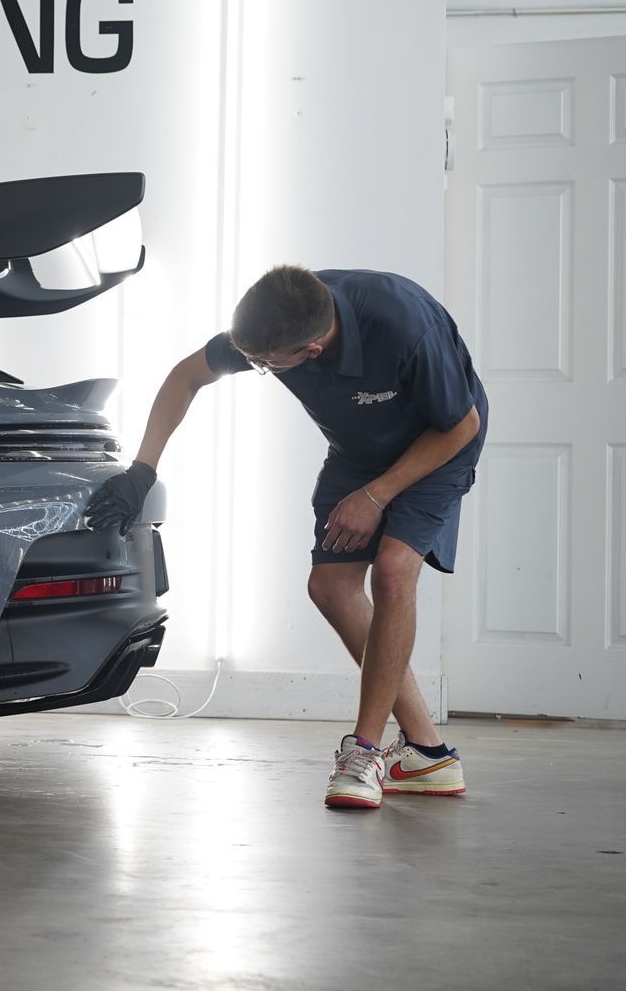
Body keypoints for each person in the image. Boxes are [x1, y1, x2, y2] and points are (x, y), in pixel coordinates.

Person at [86, 265, 486, 810]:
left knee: (394, 568)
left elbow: (462, 425)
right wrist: (143, 470)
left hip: (437, 445)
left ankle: (364, 752)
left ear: (312, 349)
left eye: (266, 364)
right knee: (330, 587)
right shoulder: (275, 320)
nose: (258, 368)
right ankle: (428, 754)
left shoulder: (405, 326)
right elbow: (186, 377)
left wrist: (375, 497)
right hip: (358, 453)